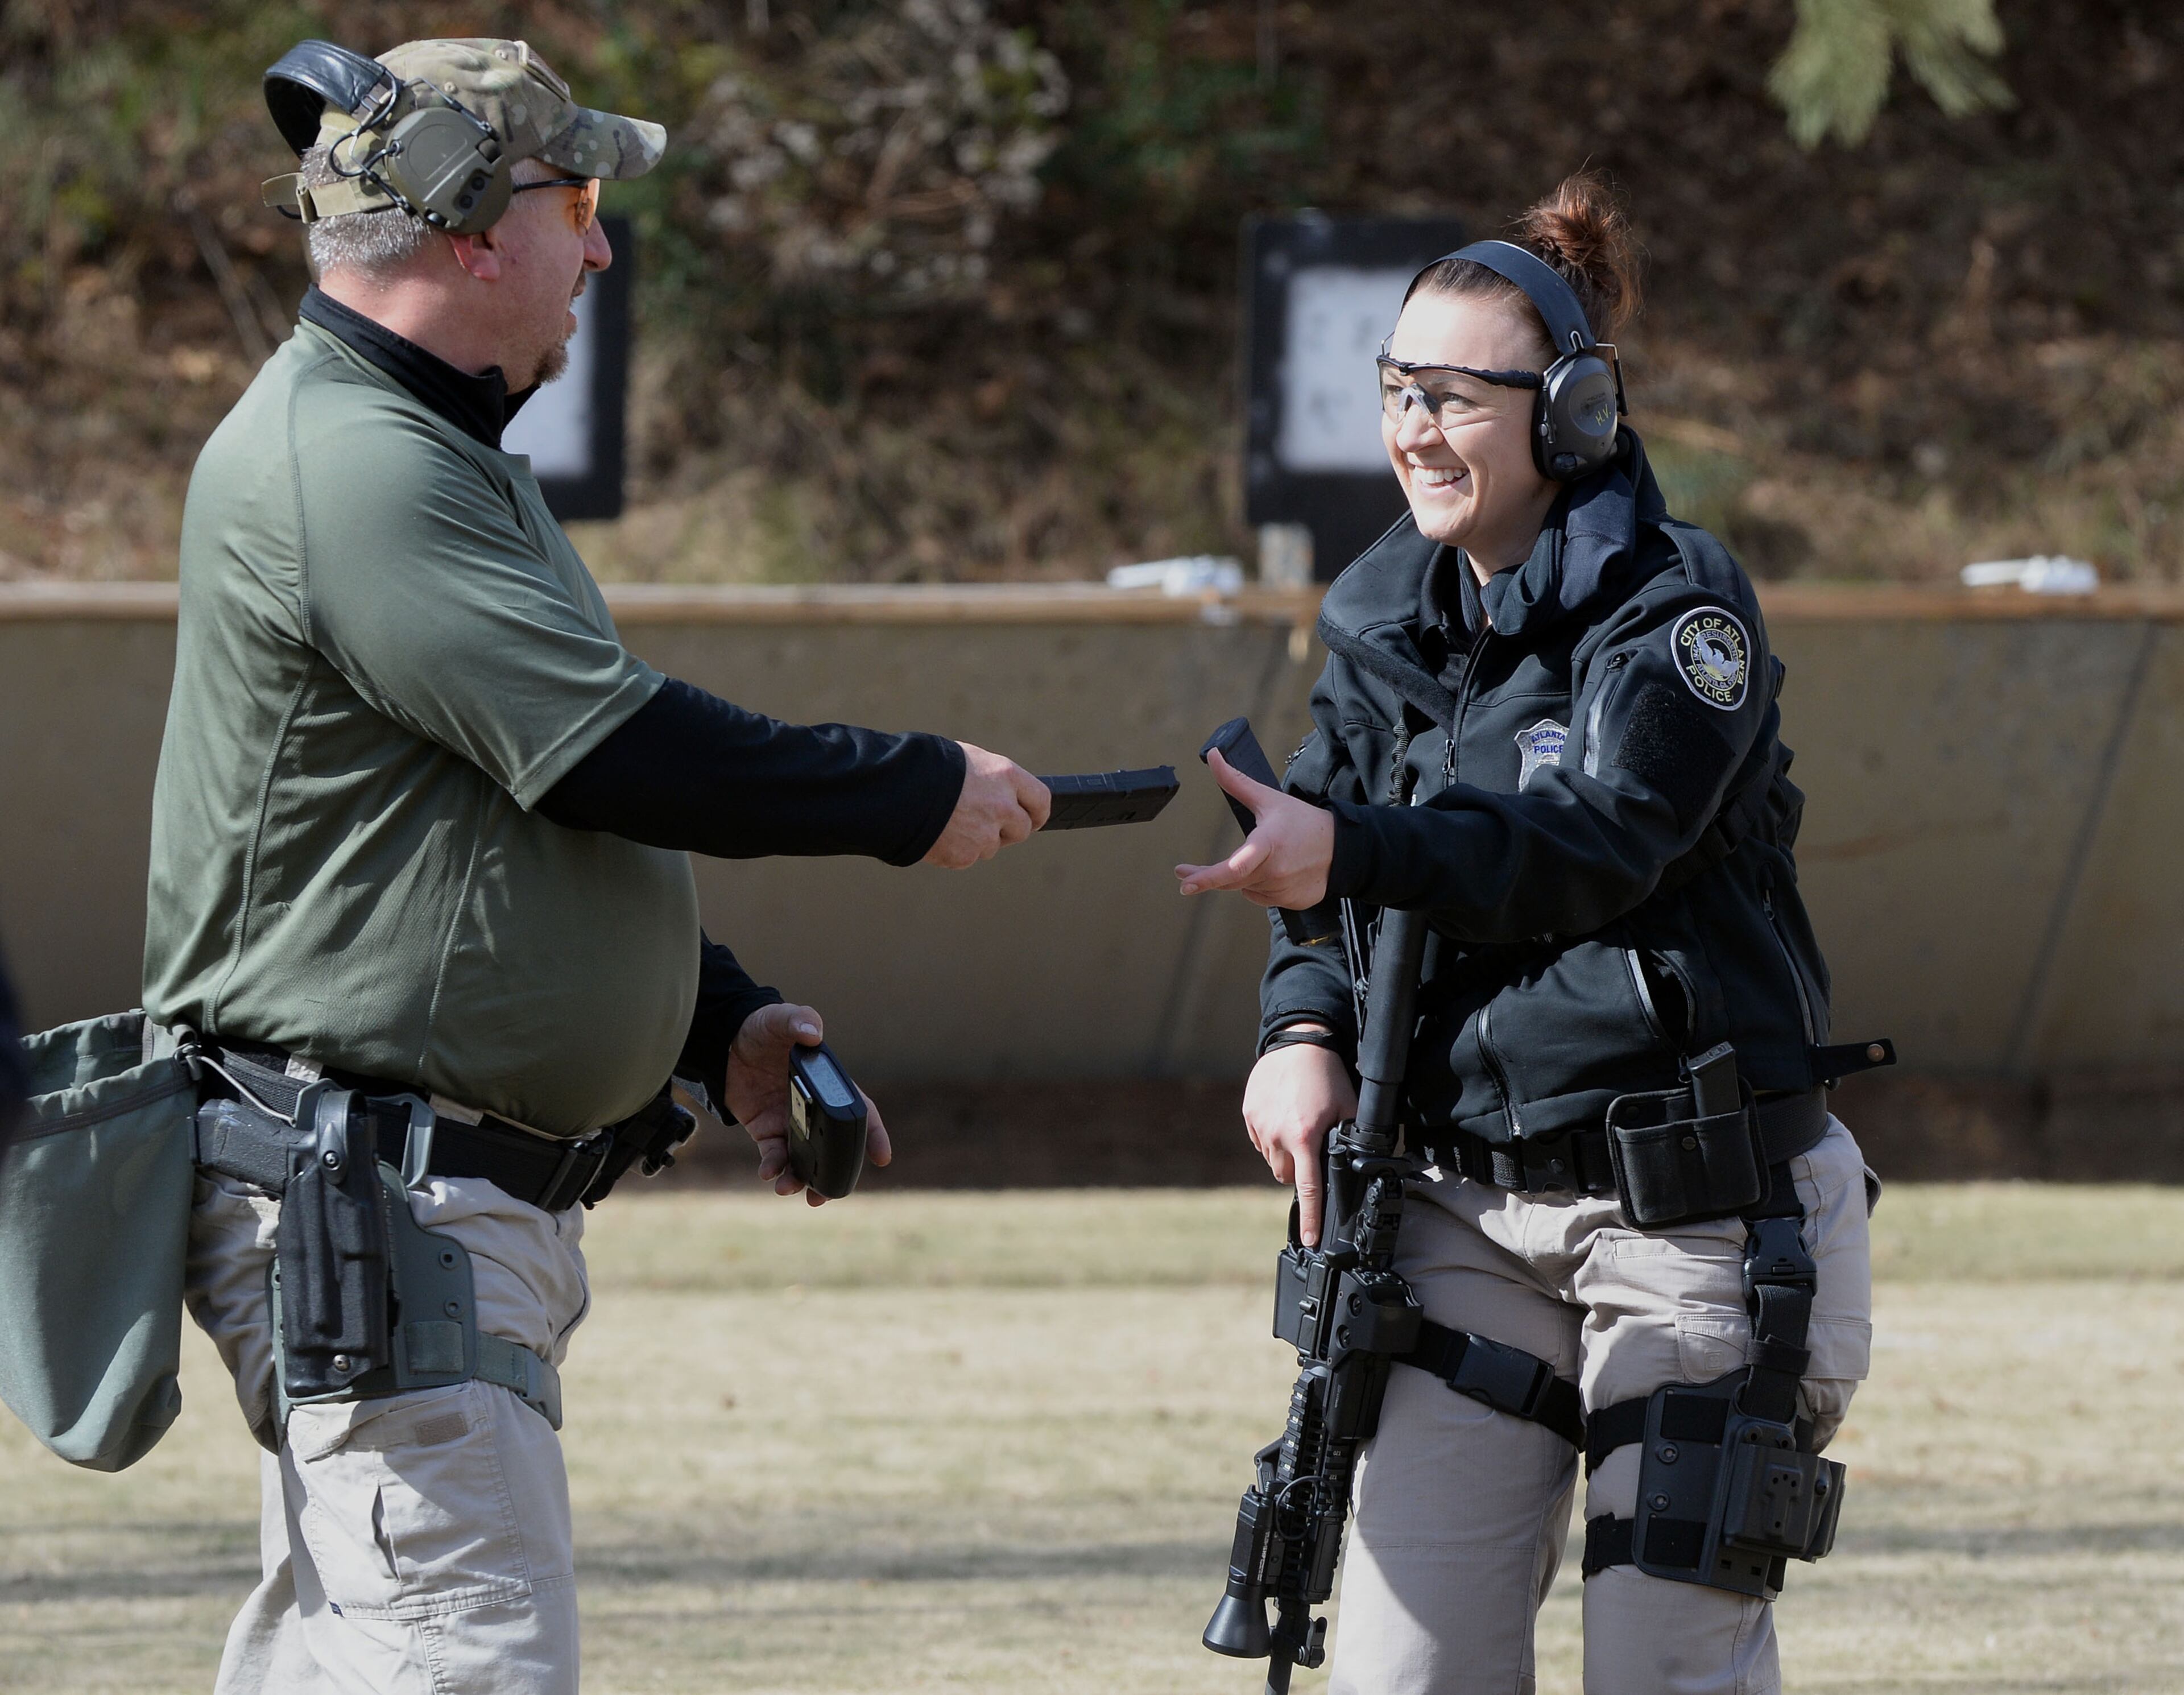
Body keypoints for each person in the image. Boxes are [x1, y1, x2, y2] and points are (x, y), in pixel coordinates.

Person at [148, 37, 1049, 1694]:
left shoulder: (428, 450)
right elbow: (615, 751)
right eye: (581, 203)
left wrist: (715, 1026)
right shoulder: (358, 464)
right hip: (384, 1202)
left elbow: (505, 821)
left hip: (400, 1196)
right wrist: (910, 788)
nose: (604, 247)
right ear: (474, 230)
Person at [1179, 173, 1876, 1695]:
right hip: (1457, 1208)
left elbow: (1593, 846)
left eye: (1451, 396)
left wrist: (1350, 850)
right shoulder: (1382, 616)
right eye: (1394, 392)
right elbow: (1320, 867)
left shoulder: (1676, 613)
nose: (1413, 428)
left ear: (1567, 413)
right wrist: (1299, 1028)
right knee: (1401, 1675)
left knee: (1663, 1669)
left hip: (1691, 1206)